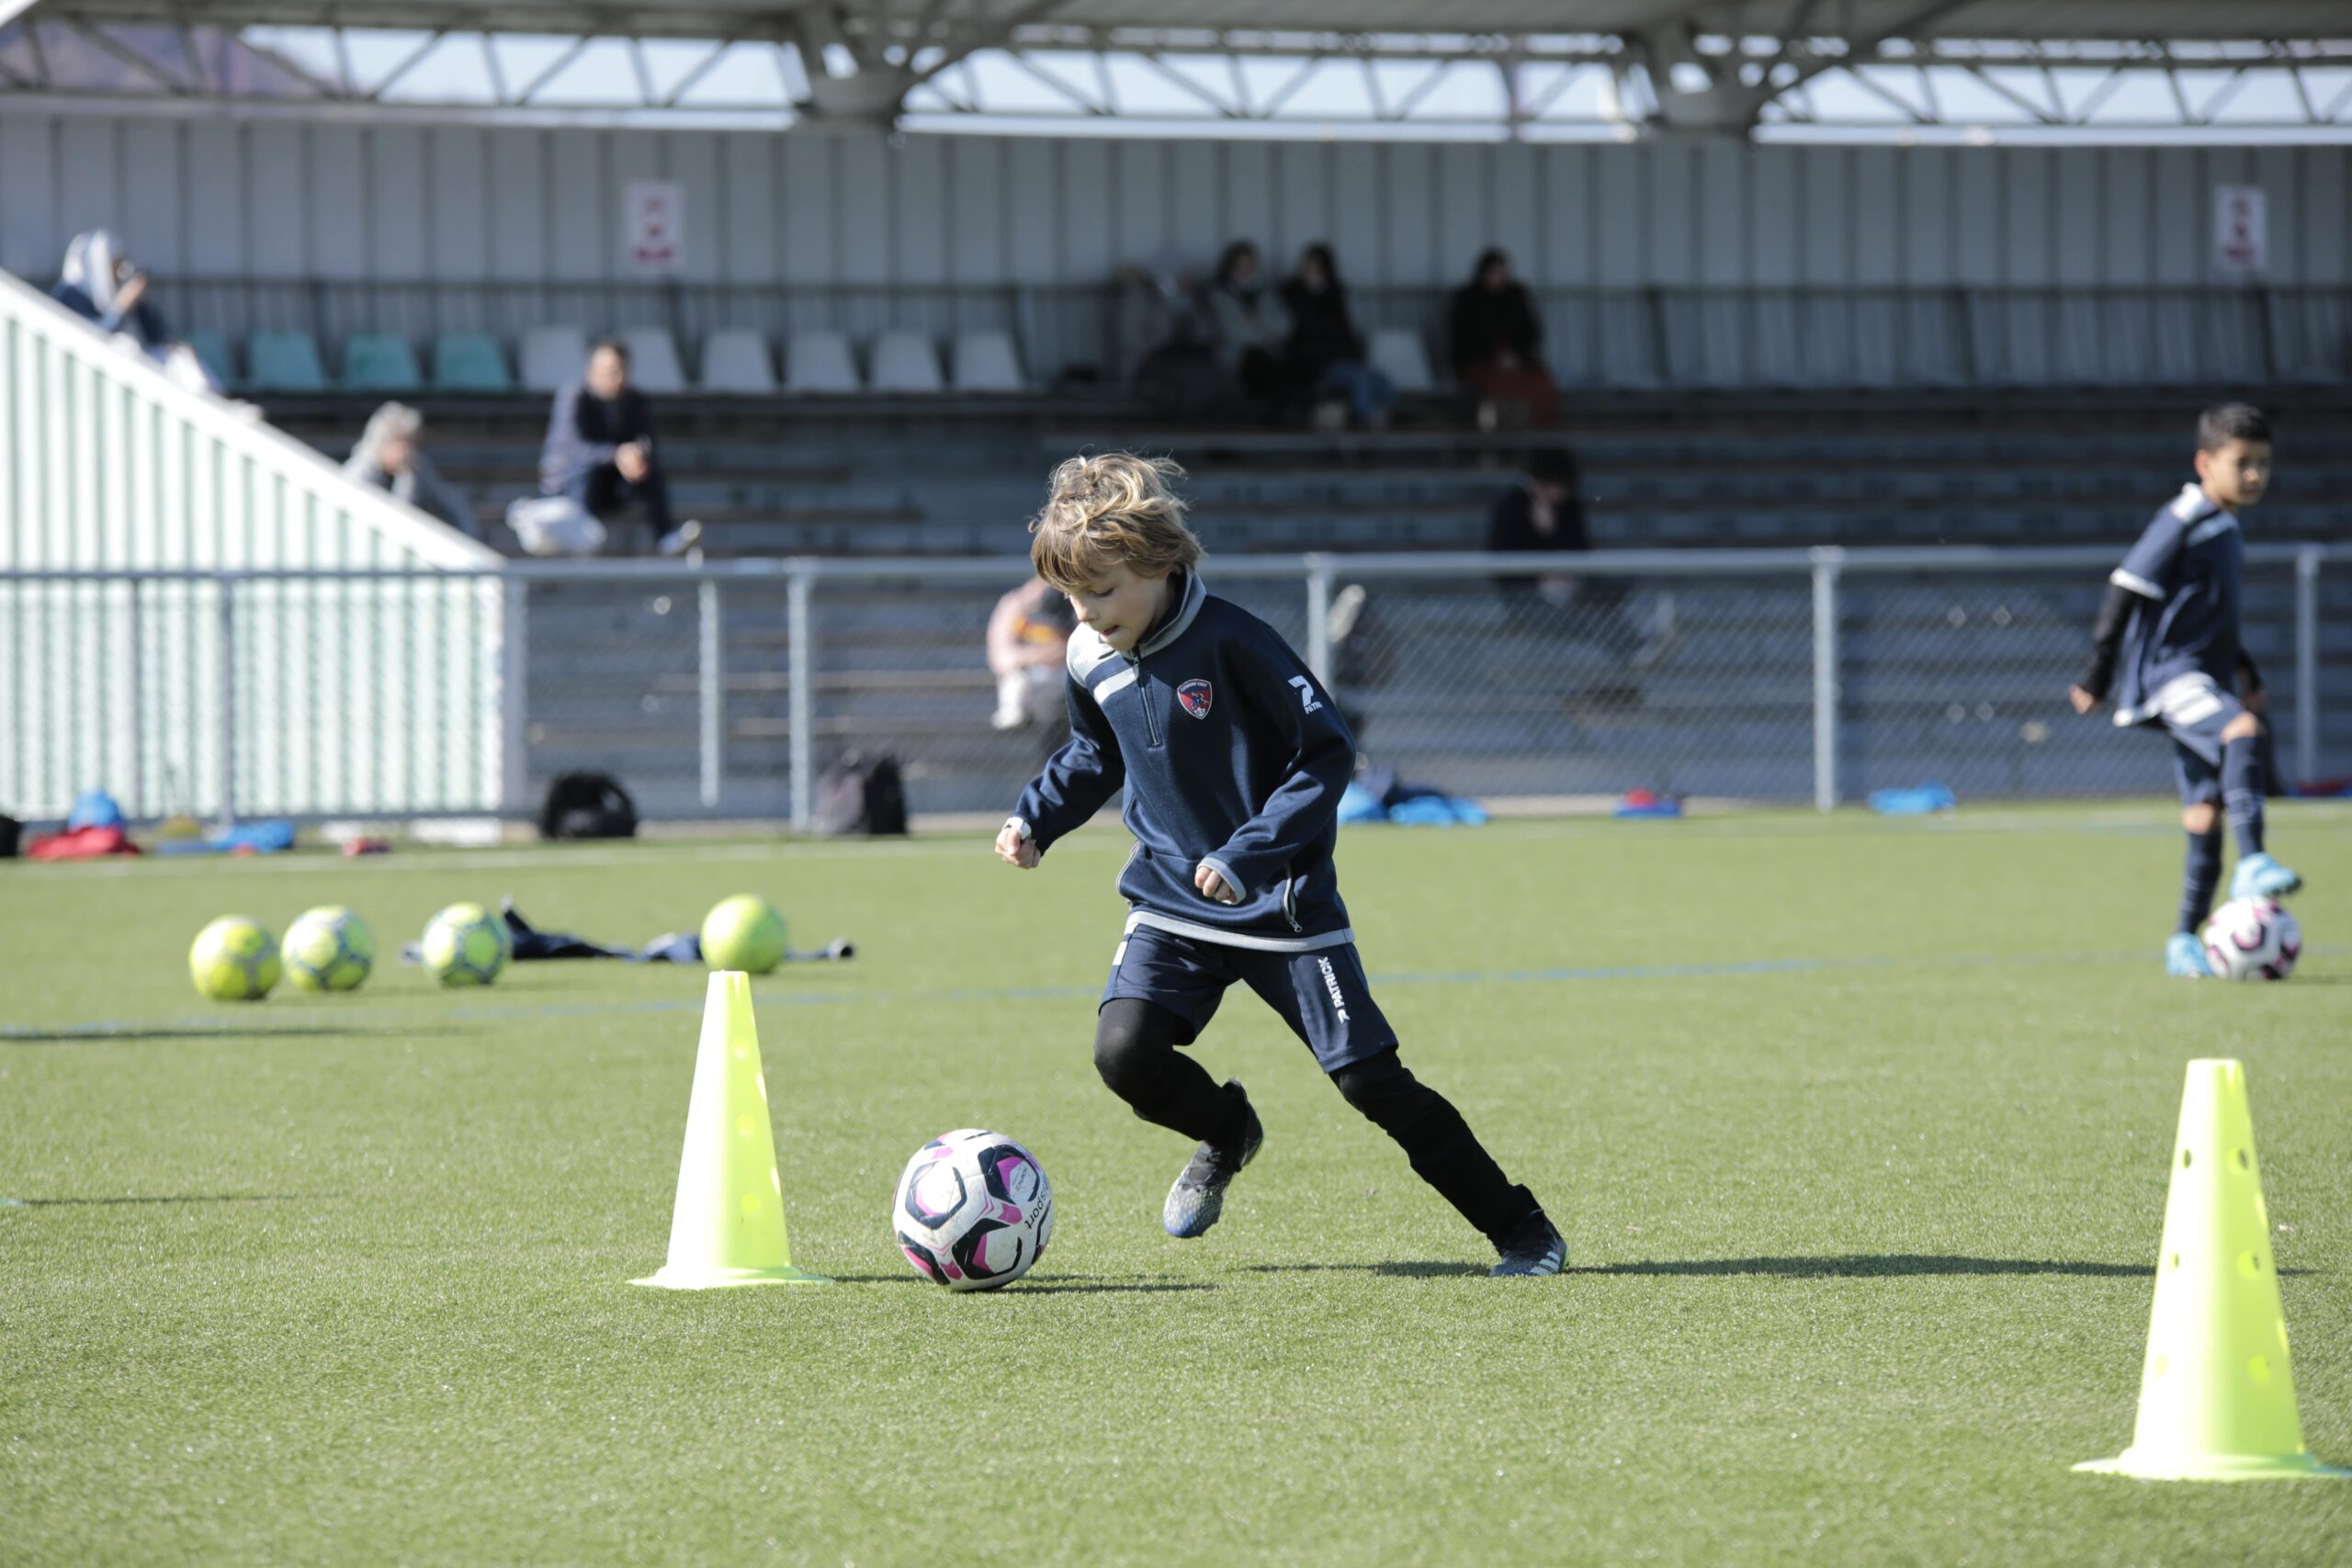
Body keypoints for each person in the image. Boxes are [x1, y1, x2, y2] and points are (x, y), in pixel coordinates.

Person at [992, 452, 1565, 1277]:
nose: (1087, 612)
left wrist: (1248, 854)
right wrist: (1036, 817)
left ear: (1160, 563)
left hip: (1282, 906)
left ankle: (1523, 1229)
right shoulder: (1090, 652)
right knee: (1124, 1054)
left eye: (1105, 590)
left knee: (1372, 1083)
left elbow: (1327, 754)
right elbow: (1094, 752)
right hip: (1170, 899)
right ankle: (1227, 1129)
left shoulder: (1235, 642)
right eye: (1074, 597)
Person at [2069, 404, 2301, 978]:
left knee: (2204, 812)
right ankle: (2253, 864)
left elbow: (2213, 618)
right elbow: (2125, 588)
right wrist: (2098, 674)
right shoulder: (2185, 515)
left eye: (2263, 464)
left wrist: (2246, 673)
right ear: (2205, 463)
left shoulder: (2223, 526)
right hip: (2174, 677)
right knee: (2241, 731)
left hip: (2207, 675)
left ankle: (2182, 942)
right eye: (2242, 462)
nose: (2255, 475)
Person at [1488, 446, 1656, 666]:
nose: (1563, 493)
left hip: (1575, 586)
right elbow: (1500, 568)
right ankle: (1636, 652)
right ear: (1540, 482)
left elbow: (1580, 552)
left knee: (1609, 591)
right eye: (1558, 486)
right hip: (1527, 597)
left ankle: (1643, 643)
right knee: (1591, 616)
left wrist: (1554, 531)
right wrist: (1540, 579)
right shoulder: (1511, 506)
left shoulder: (1568, 506)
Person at [539, 339, 696, 556]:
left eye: (621, 370)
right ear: (592, 371)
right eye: (610, 371)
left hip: (613, 482)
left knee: (651, 470)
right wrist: (617, 455)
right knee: (588, 471)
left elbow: (646, 440)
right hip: (570, 482)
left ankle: (665, 536)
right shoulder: (574, 397)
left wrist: (637, 456)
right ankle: (582, 540)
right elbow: (574, 449)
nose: (618, 378)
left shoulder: (636, 400)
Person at [50, 230, 222, 395]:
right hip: (100, 370)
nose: (119, 272)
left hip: (135, 361)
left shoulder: (113, 290)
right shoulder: (70, 295)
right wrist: (121, 307)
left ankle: (215, 404)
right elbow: (93, 339)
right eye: (114, 264)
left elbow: (155, 334)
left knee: (181, 357)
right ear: (96, 264)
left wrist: (139, 300)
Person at [1280, 243, 1394, 430]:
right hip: (1318, 362)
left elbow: (1346, 330)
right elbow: (1302, 331)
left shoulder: (1336, 292)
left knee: (1385, 383)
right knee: (1362, 381)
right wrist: (1312, 295)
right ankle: (1363, 426)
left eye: (1317, 268)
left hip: (1346, 358)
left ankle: (1370, 419)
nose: (1311, 273)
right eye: (1308, 267)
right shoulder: (1292, 293)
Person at [1449, 248, 1557, 429]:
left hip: (1518, 362)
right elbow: (1462, 338)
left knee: (1540, 383)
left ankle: (1538, 434)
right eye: (1492, 273)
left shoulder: (1516, 296)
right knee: (1493, 391)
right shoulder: (1467, 300)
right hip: (1479, 362)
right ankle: (1492, 437)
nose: (1497, 278)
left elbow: (1531, 332)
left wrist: (1515, 356)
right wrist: (1494, 356)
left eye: (1501, 273)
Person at [345, 402, 479, 539]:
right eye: (401, 446)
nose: (407, 453)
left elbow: (450, 502)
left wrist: (470, 536)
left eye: (411, 445)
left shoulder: (416, 465)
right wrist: (405, 481)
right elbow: (394, 524)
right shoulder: (359, 474)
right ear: (383, 444)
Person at [1204, 242, 1288, 417]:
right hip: (1237, 356)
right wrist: (1265, 330)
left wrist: (1256, 322)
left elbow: (1285, 325)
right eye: (1240, 265)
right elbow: (1234, 333)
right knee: (1258, 360)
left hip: (1269, 352)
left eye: (1249, 264)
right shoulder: (1221, 294)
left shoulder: (1266, 292)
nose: (1245, 269)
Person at [986, 577, 1076, 731]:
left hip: (1063, 675)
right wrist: (1037, 655)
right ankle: (1014, 714)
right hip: (1031, 680)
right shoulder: (1015, 605)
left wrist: (1060, 651)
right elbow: (1001, 658)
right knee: (1014, 680)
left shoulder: (1072, 602)